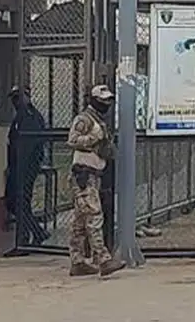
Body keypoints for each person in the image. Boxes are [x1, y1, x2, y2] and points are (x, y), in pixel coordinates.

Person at [66, 84, 126, 277]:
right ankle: (103, 259)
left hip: (93, 174)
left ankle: (77, 262)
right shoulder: (84, 119)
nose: (106, 104)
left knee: (80, 221)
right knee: (94, 216)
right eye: (103, 100)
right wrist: (93, 137)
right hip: (83, 174)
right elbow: (72, 140)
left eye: (108, 101)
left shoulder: (99, 120)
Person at [6, 86, 51, 246]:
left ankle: (25, 237)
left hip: (25, 166)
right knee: (15, 202)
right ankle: (36, 232)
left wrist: (21, 167)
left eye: (18, 98)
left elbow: (28, 146)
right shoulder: (21, 115)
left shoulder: (30, 116)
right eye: (13, 98)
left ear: (27, 97)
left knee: (18, 201)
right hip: (18, 166)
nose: (15, 102)